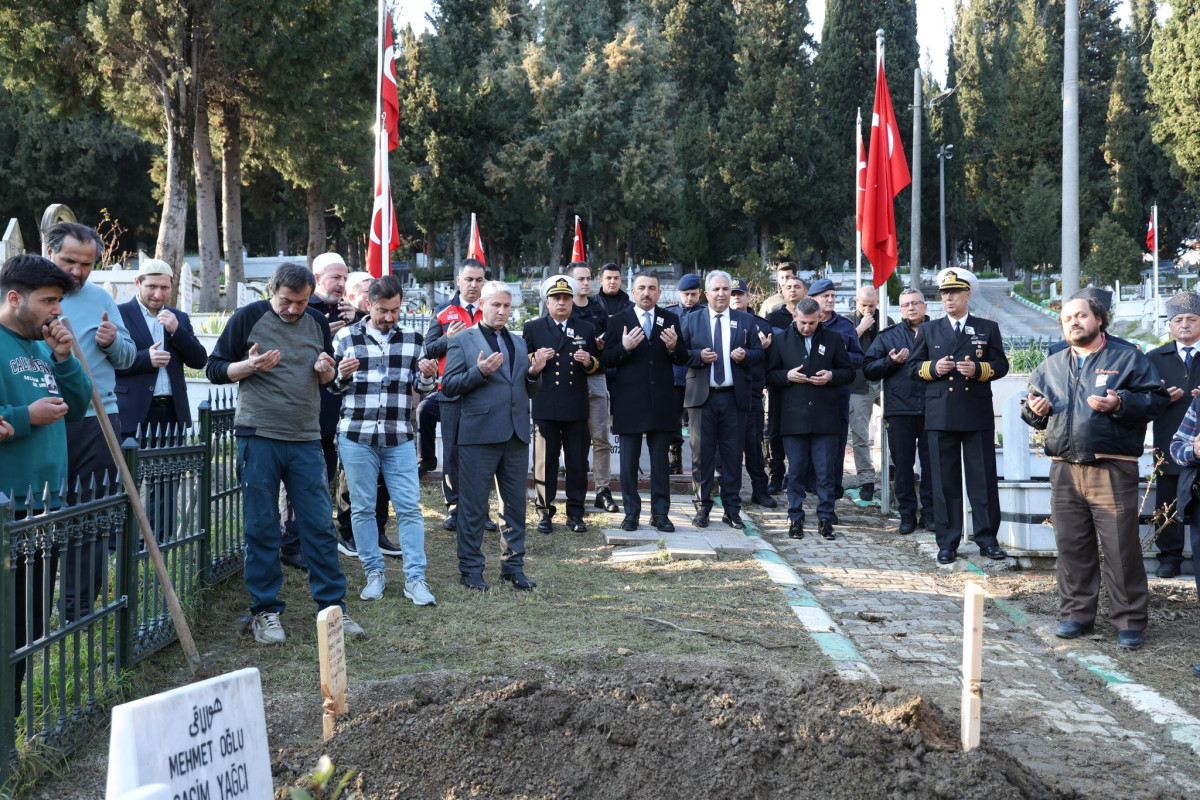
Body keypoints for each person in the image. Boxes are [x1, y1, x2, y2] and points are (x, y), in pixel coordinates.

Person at [206, 262, 363, 644]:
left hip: (307, 437)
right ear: (271, 290)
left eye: (301, 301)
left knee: (319, 526)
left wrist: (331, 373)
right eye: (286, 301)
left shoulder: (316, 322)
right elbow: (212, 368)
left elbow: (328, 380)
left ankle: (332, 610)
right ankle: (265, 611)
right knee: (261, 527)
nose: (293, 309)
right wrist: (249, 366)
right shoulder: (248, 318)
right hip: (258, 435)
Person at [1023, 296, 1166, 651]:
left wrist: (1121, 403)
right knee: (1072, 546)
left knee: (1121, 547)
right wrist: (1035, 412)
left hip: (1112, 467)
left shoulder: (1128, 358)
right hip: (1064, 470)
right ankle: (1076, 615)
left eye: (1081, 315)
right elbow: (1034, 410)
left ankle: (1130, 621)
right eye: (1067, 318)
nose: (1074, 322)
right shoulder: (1053, 364)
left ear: (1098, 319)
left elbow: (1156, 400)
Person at [0, 254, 92, 710]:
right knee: (7, 623)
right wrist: (24, 417)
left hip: (46, 502)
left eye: (60, 300)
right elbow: (25, 417)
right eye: (49, 300)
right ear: (15, 299)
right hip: (8, 508)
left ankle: (11, 720)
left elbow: (75, 408)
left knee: (31, 623)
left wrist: (63, 357)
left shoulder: (39, 348)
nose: (58, 311)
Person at [329, 275, 438, 606]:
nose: (389, 317)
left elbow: (423, 389)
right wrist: (342, 375)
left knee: (409, 508)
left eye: (394, 310)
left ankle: (415, 579)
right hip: (356, 436)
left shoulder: (414, 339)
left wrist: (428, 375)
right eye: (382, 310)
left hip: (399, 437)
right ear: (368, 305)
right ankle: (373, 573)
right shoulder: (346, 337)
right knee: (362, 507)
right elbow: (331, 387)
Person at [47, 221, 137, 621]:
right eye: (69, 261)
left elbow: (130, 358)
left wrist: (112, 340)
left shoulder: (101, 297)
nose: (78, 272)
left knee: (93, 514)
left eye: (86, 264)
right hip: (44, 421)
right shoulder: (28, 300)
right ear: (49, 253)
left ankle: (79, 609)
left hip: (98, 420)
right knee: (40, 514)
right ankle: (32, 608)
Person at [441, 281, 553, 591]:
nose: (502, 311)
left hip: (515, 435)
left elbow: (523, 389)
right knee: (474, 507)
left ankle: (513, 567)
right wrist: (480, 372)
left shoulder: (518, 343)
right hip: (478, 436)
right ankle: (471, 569)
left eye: (507, 306)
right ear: (482, 306)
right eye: (496, 306)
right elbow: (448, 386)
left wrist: (534, 374)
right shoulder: (463, 340)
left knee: (515, 506)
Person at [908, 270, 1009, 565]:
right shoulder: (929, 330)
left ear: (967, 295)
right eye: (944, 293)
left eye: (954, 292)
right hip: (940, 414)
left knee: (982, 479)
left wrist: (979, 371)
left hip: (975, 412)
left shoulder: (986, 328)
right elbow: (913, 367)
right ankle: (948, 541)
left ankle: (987, 539)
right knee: (944, 481)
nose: (948, 297)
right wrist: (933, 368)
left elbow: (1001, 364)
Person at [601, 272, 688, 532]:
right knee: (628, 464)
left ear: (659, 293)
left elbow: (682, 358)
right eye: (641, 288)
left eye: (652, 288)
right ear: (633, 291)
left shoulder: (670, 319)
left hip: (661, 402)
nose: (647, 292)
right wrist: (624, 347)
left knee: (660, 464)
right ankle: (631, 513)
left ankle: (660, 514)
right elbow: (606, 358)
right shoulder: (619, 321)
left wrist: (674, 347)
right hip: (630, 402)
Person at [418, 260, 496, 532]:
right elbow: (427, 350)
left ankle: (481, 509)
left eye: (479, 280)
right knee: (452, 451)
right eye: (469, 279)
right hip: (450, 392)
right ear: (458, 281)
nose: (474, 285)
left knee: (482, 453)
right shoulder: (443, 312)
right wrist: (447, 339)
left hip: (483, 391)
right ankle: (454, 507)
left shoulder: (490, 309)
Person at [681, 270, 762, 528]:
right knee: (701, 456)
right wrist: (698, 357)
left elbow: (759, 354)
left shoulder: (746, 321)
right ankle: (702, 508)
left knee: (732, 455)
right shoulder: (693, 320)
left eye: (725, 289)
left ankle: (732, 509)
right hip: (702, 399)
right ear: (707, 293)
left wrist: (745, 356)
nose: (721, 294)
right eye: (715, 289)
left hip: (733, 398)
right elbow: (678, 354)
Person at [767, 298, 855, 539]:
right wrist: (786, 376)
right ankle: (795, 517)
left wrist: (831, 375)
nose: (807, 328)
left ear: (820, 319)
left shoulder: (833, 339)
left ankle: (826, 518)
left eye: (812, 323)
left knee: (826, 472)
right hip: (793, 418)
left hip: (825, 418)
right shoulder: (781, 340)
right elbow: (769, 375)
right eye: (803, 322)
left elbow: (848, 372)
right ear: (795, 317)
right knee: (796, 471)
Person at [524, 275, 600, 533]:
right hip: (546, 403)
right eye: (556, 298)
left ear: (572, 302)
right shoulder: (533, 328)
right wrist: (535, 359)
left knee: (577, 462)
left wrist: (589, 361)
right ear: (547, 301)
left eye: (566, 298)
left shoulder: (586, 328)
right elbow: (523, 363)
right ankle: (544, 512)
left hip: (576, 404)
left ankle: (576, 513)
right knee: (545, 462)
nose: (562, 303)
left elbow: (598, 364)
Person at [863, 288, 934, 534]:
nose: (911, 308)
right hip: (899, 409)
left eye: (916, 303)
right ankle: (906, 515)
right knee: (903, 466)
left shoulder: (938, 332)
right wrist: (890, 362)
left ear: (925, 307)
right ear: (900, 310)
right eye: (905, 305)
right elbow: (869, 368)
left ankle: (930, 515)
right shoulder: (888, 336)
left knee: (932, 465)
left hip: (932, 409)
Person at [115, 259, 209, 439]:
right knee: (133, 467)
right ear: (137, 283)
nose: (158, 294)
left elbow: (199, 361)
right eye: (151, 286)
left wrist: (177, 331)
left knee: (172, 467)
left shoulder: (179, 318)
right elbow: (108, 362)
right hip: (132, 414)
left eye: (164, 288)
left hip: (173, 414)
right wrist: (145, 359)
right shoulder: (119, 314)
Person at [1146, 291, 1200, 578]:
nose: (1185, 325)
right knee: (1168, 503)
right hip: (1168, 442)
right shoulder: (1154, 358)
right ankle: (1169, 558)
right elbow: (1139, 402)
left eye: (1192, 319)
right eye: (1178, 320)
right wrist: (1160, 398)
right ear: (1170, 325)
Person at [568, 262, 620, 513]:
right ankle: (575, 491)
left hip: (595, 378)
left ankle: (602, 489)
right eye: (580, 279)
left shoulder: (599, 311)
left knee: (600, 437)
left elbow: (611, 351)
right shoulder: (562, 307)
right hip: (568, 380)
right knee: (574, 439)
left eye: (589, 278)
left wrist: (601, 347)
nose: (586, 283)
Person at [808, 278, 864, 504]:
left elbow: (859, 357)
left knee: (836, 445)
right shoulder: (804, 322)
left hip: (836, 394)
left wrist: (834, 357)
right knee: (805, 443)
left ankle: (832, 492)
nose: (830, 300)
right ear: (812, 299)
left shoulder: (845, 326)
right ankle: (806, 488)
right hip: (807, 395)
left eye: (832, 296)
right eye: (825, 296)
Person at [729, 277, 776, 508]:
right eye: (732, 293)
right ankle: (731, 493)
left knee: (754, 445)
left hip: (752, 393)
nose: (736, 298)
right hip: (727, 394)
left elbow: (769, 362)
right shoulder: (720, 321)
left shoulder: (761, 325)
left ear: (749, 297)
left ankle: (760, 490)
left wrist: (762, 349)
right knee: (730, 448)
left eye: (740, 294)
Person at [848, 285, 892, 502]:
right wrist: (862, 327)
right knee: (860, 434)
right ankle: (866, 479)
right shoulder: (847, 322)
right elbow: (841, 348)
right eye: (864, 305)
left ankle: (893, 468)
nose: (868, 310)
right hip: (858, 384)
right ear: (856, 302)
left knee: (895, 426)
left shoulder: (886, 320)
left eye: (872, 305)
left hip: (884, 380)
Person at [765, 274, 807, 493]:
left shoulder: (813, 317)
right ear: (781, 291)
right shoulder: (773, 318)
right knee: (775, 430)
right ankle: (776, 474)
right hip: (780, 383)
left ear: (805, 292)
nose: (792, 290)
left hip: (807, 385)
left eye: (797, 286)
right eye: (788, 287)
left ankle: (801, 476)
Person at [664, 272, 703, 474]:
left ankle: (699, 462)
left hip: (697, 375)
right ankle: (674, 459)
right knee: (672, 419)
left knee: (698, 422)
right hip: (673, 375)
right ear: (679, 293)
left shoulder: (705, 314)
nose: (689, 298)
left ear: (700, 293)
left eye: (693, 294)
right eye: (686, 294)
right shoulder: (668, 314)